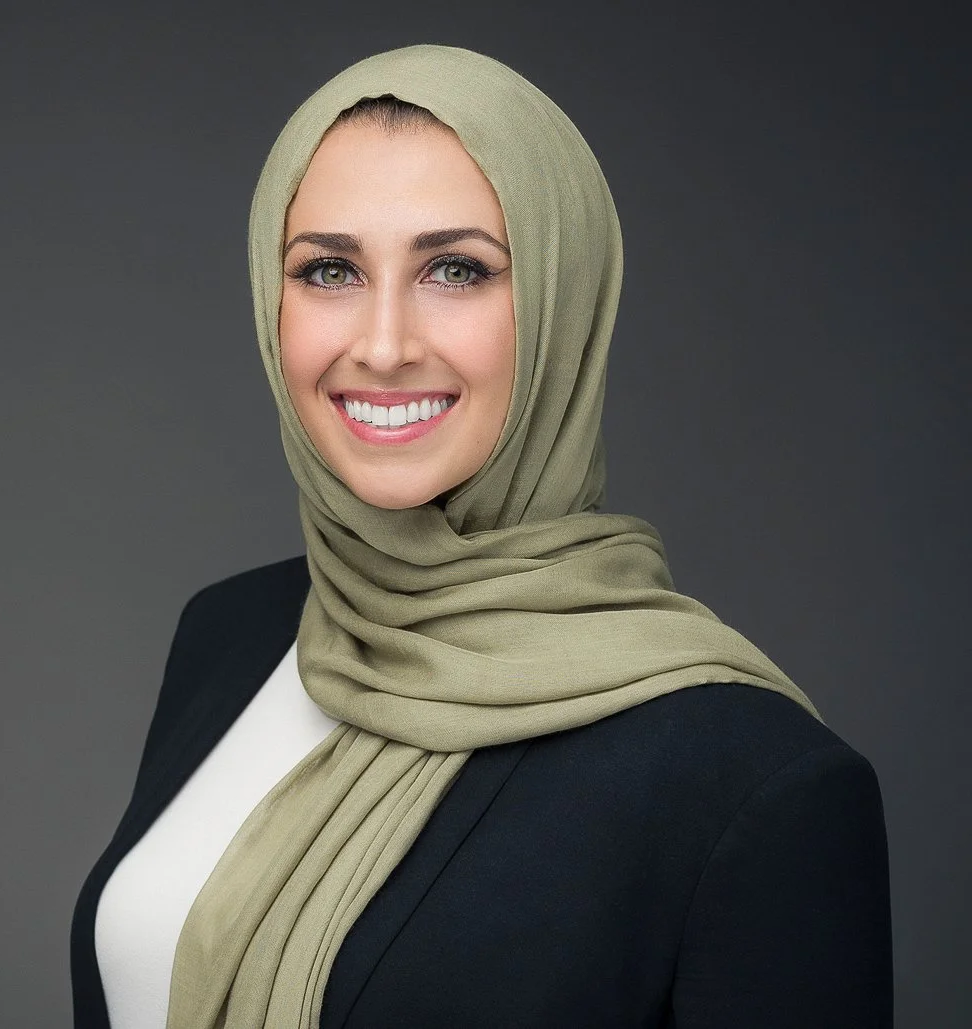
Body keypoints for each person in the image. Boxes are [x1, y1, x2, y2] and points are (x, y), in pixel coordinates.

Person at [70, 44, 893, 1029]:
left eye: (455, 270)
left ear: (561, 301)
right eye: (329, 269)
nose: (380, 344)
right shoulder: (233, 633)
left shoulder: (752, 787)